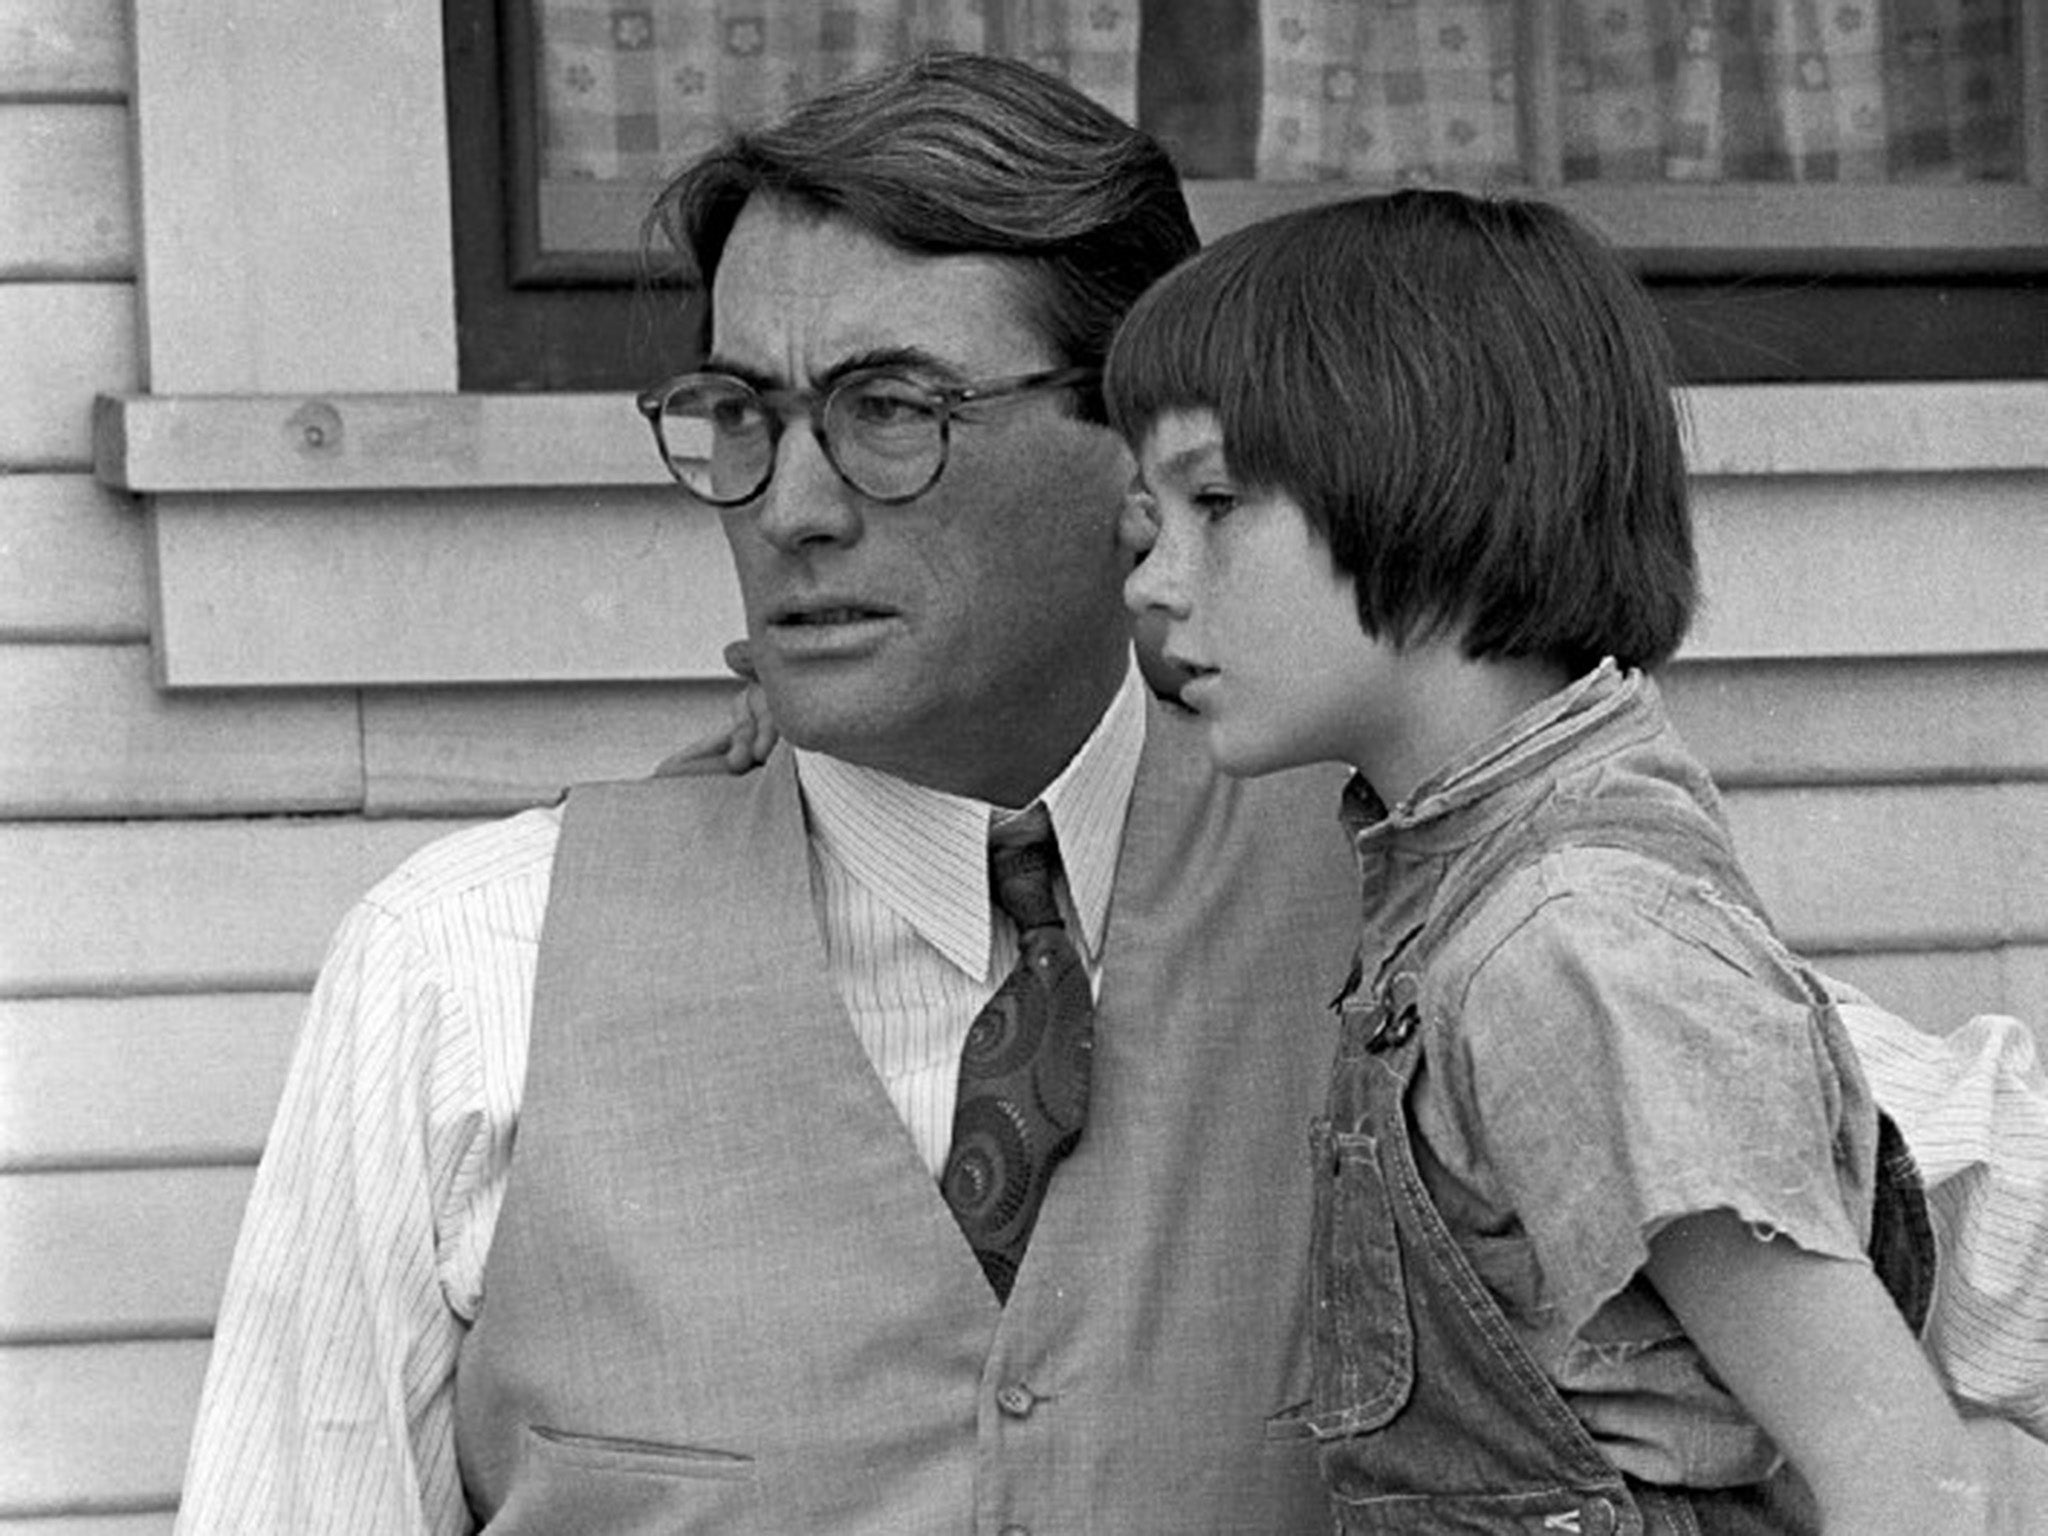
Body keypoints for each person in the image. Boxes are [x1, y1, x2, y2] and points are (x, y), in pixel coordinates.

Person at [173, 51, 1362, 1536]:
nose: (792, 509)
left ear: (1139, 444)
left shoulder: (1393, 905)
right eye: (742, 413)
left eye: (892, 411)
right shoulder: (467, 967)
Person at [1108, 187, 1989, 1532]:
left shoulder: (1568, 942)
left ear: (1428, 480)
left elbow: (1906, 1478)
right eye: (1148, 520)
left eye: (1215, 501)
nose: (1154, 580)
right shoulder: (1463, 892)